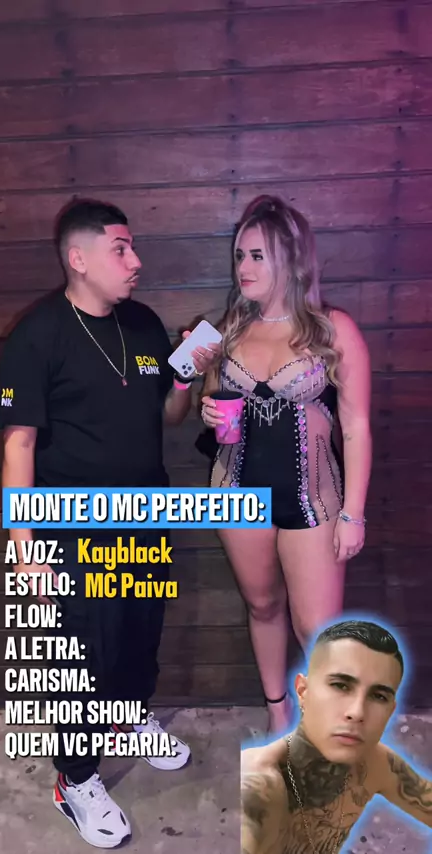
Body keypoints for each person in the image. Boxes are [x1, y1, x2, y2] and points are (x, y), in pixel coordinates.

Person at [0, 198, 220, 848]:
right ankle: (75, 779)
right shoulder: (36, 336)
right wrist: (27, 551)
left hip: (145, 515)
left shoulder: (144, 326)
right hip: (72, 528)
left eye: (132, 246)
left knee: (139, 635)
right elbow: (18, 447)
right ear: (79, 258)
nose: (135, 260)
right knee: (84, 655)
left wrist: (186, 378)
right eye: (120, 248)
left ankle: (127, 721)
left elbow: (166, 417)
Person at [199, 195, 372, 733]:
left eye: (257, 256)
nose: (244, 267)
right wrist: (207, 408)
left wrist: (354, 514)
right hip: (236, 492)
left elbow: (356, 427)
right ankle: (278, 714)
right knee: (262, 606)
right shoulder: (228, 329)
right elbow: (210, 400)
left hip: (313, 498)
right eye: (239, 256)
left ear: (292, 259)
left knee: (318, 629)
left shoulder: (332, 329)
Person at [241, 619, 432, 854]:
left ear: (391, 711)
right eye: (341, 686)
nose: (357, 712)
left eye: (378, 696)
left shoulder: (374, 763)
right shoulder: (255, 790)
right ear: (303, 691)